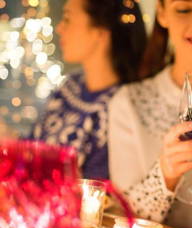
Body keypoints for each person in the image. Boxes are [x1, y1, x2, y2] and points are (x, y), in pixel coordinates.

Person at [109, 0, 192, 228]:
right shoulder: (129, 102)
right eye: (184, 9)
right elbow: (122, 218)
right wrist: (164, 176)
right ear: (162, 14)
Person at [29, 0, 147, 180]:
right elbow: (30, 145)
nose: (60, 28)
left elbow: (96, 190)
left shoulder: (121, 108)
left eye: (68, 19)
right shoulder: (70, 86)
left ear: (100, 33)